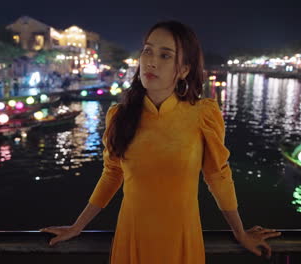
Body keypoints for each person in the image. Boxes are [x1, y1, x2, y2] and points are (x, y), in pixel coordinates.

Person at [40, 20, 281, 263]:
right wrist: (77, 226)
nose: (151, 61)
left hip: (181, 237)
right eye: (148, 51)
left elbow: (218, 176)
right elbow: (112, 173)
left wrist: (240, 233)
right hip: (131, 235)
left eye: (165, 55)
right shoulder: (119, 116)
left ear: (184, 69)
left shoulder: (202, 114)